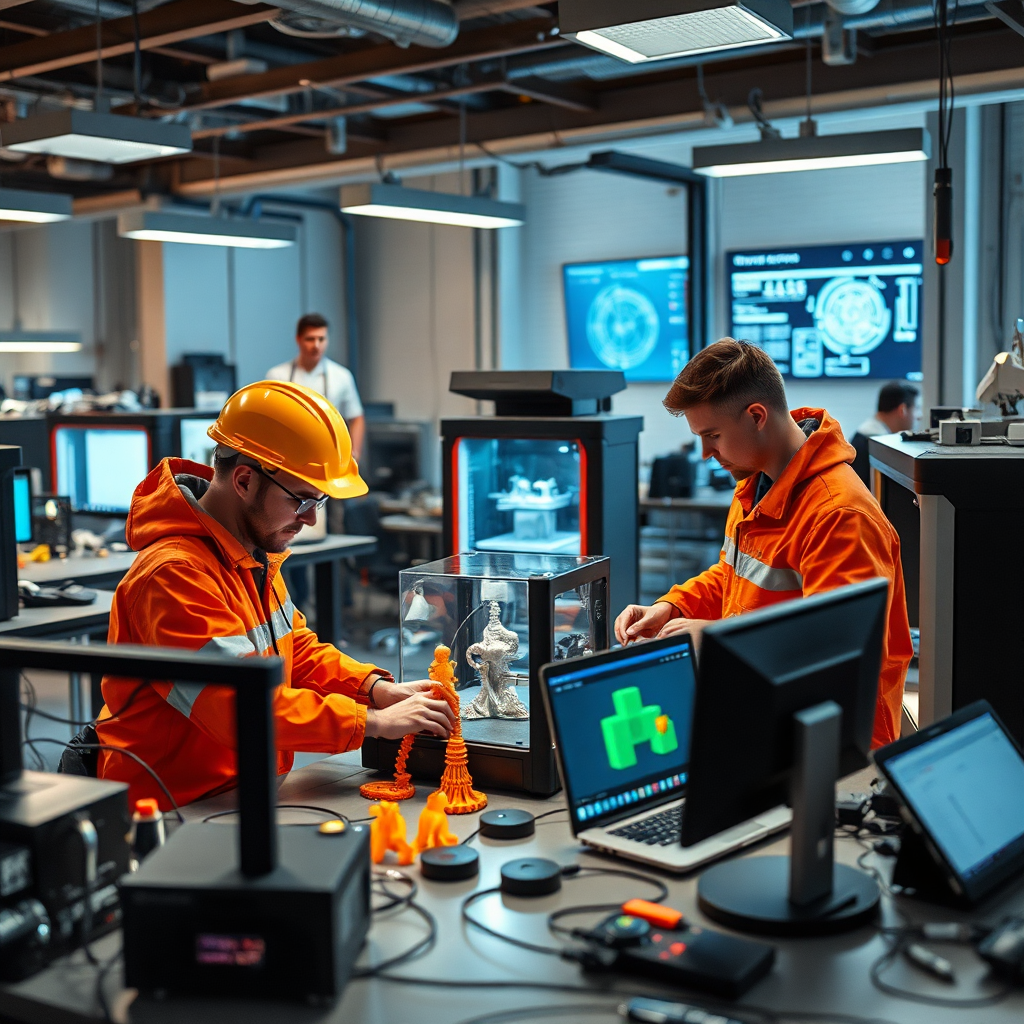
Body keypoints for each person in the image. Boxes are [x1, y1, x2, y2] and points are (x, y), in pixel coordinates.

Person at [95, 381, 453, 808]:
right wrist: (372, 721)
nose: (310, 518)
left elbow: (294, 651)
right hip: (174, 810)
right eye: (302, 500)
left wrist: (372, 688)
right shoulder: (173, 575)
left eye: (317, 500)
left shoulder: (249, 552)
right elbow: (238, 706)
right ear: (245, 480)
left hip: (240, 794)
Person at [614, 339, 913, 749]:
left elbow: (840, 655)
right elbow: (732, 575)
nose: (705, 453)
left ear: (756, 416)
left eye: (713, 435)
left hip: (838, 745)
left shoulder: (838, 515)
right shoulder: (755, 487)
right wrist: (674, 606)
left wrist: (719, 639)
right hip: (771, 715)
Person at [267, 313, 365, 459]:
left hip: (329, 456)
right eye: (310, 339)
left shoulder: (342, 376)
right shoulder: (277, 376)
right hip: (288, 457)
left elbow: (356, 417)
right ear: (298, 339)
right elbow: (270, 421)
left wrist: (354, 455)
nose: (316, 345)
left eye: (321, 339)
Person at [849, 381, 920, 486]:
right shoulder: (879, 447)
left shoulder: (863, 437)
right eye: (916, 409)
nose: (919, 416)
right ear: (902, 410)